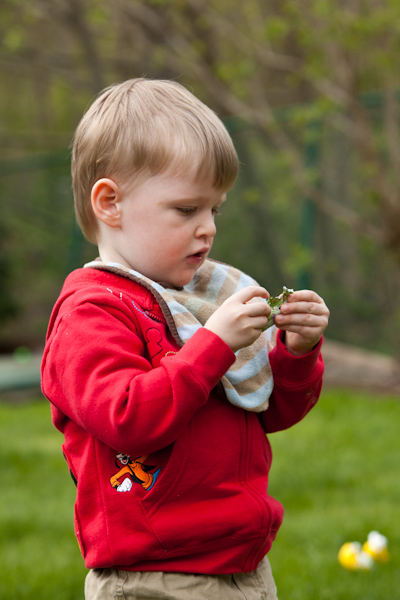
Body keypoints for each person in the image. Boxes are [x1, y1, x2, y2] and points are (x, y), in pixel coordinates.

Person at [41, 78, 329, 600]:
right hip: (155, 573)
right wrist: (212, 347)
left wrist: (296, 354)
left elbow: (267, 412)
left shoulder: (202, 298)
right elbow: (129, 418)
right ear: (110, 203)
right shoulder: (91, 312)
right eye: (186, 209)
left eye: (214, 209)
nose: (208, 228)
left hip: (243, 563)